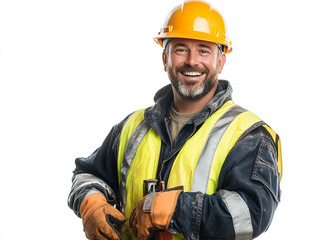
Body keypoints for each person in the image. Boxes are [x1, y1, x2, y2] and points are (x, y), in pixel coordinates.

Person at [68, 1, 283, 240]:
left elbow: (251, 214)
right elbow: (88, 174)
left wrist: (177, 209)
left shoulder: (248, 134)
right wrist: (91, 203)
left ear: (220, 62)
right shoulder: (133, 126)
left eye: (203, 50)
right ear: (165, 59)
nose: (192, 61)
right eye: (180, 49)